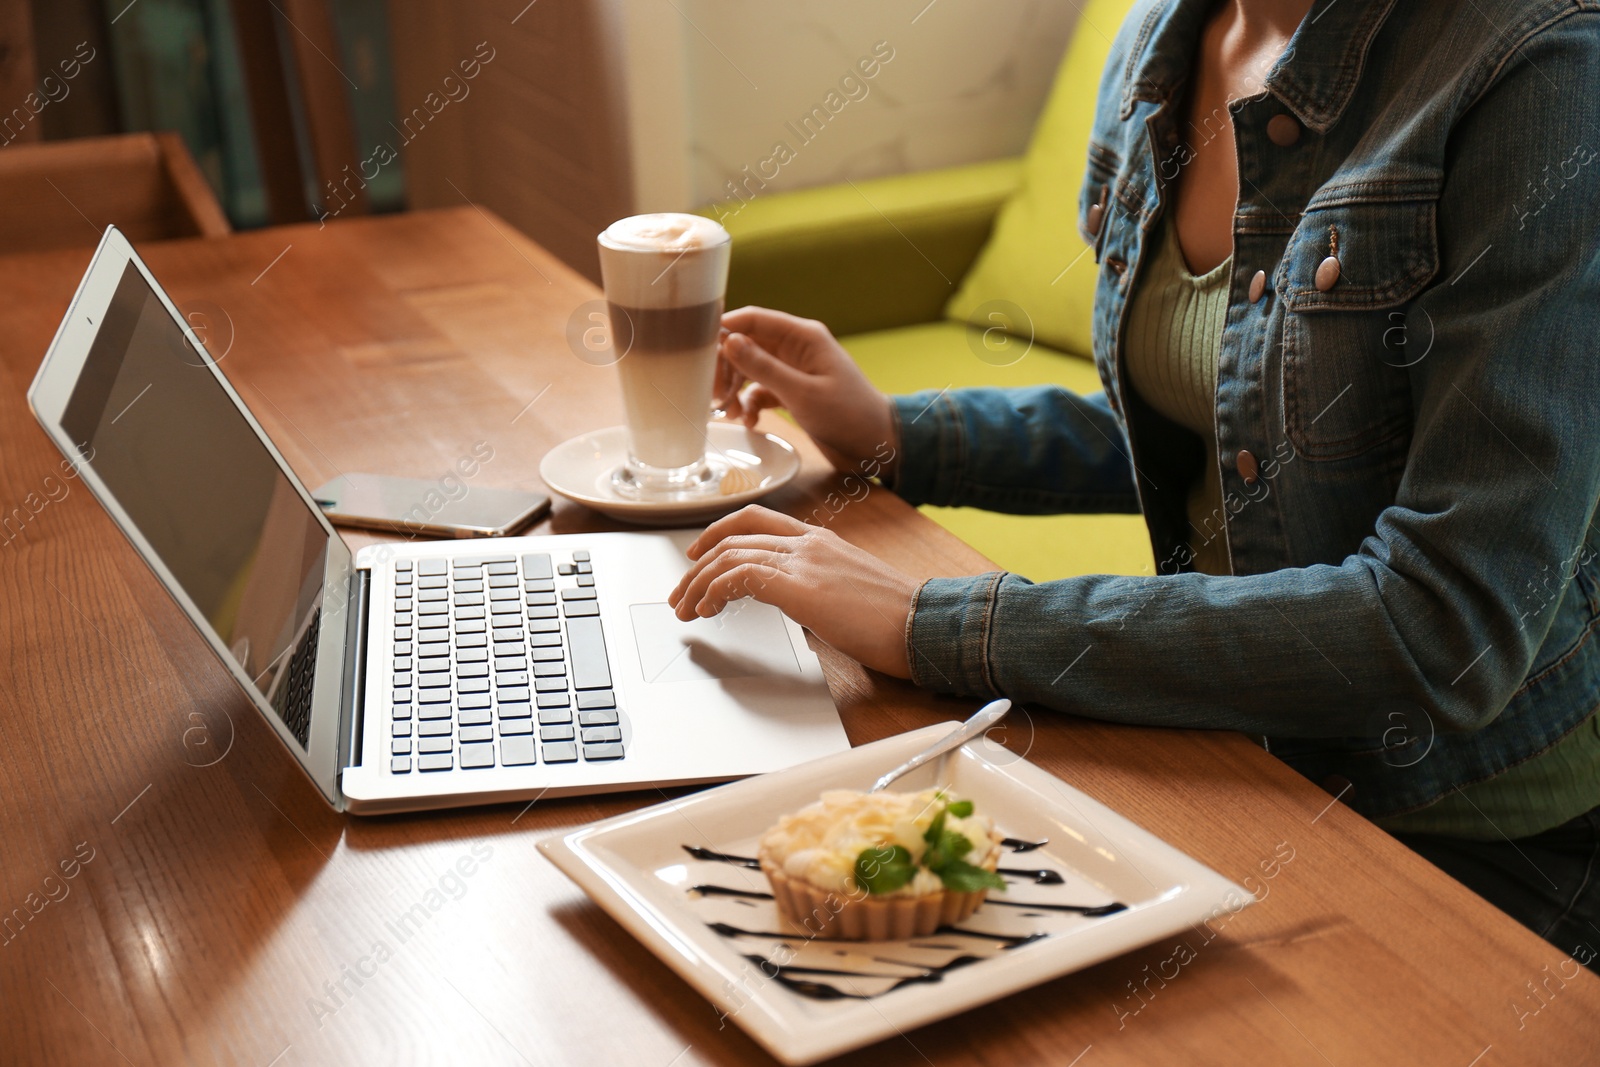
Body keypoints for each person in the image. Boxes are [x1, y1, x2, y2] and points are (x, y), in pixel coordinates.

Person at [667, 0, 1600, 966]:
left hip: (1476, 835)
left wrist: (940, 623)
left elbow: (1446, 627)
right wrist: (898, 433)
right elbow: (1220, 423)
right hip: (1237, 754)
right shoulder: (1160, 43)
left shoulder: (1537, 66)